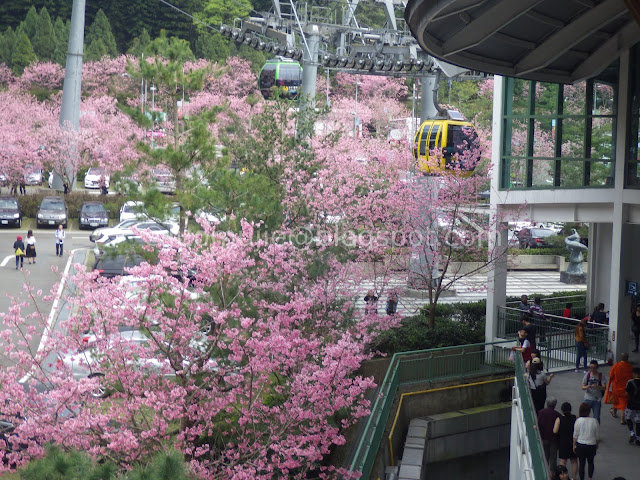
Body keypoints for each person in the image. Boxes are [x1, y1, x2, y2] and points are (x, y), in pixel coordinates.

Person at [573, 402, 599, 480]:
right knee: (591, 462)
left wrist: (574, 445)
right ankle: (590, 478)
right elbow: (597, 435)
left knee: (582, 463)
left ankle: (582, 478)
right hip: (591, 444)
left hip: (581, 444)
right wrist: (597, 444)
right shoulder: (594, 421)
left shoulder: (578, 421)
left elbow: (575, 435)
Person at [554, 402, 578, 480]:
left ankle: (562, 476)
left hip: (563, 442)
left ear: (562, 410)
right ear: (570, 409)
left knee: (563, 461)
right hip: (572, 442)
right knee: (574, 461)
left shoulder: (559, 419)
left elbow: (555, 431)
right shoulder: (575, 418)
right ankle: (573, 478)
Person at [607, 353, 634, 424]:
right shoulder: (630, 366)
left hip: (616, 386)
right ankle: (622, 419)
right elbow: (632, 377)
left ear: (620, 358)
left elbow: (611, 375)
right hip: (625, 387)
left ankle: (614, 413)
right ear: (627, 358)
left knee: (615, 400)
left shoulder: (616, 365)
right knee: (623, 404)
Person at [538, 396, 561, 471]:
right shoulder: (557, 415)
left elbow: (539, 424)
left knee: (545, 456)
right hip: (554, 439)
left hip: (543, 437)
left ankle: (544, 471)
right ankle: (552, 474)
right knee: (553, 458)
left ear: (547, 403)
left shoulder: (541, 412)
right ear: (555, 404)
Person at [624, 367, 640, 445]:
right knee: (638, 421)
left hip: (631, 404)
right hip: (639, 406)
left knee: (628, 418)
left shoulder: (630, 382)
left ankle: (632, 433)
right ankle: (638, 438)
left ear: (635, 373)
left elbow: (626, 393)